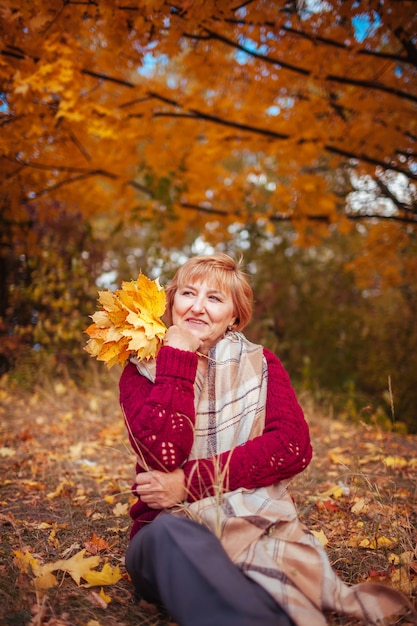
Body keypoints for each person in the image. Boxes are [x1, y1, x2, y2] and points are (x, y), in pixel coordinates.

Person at [119, 253, 410, 626]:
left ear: (234, 317)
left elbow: (291, 447)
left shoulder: (261, 363)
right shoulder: (141, 370)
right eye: (188, 293)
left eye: (215, 298)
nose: (197, 307)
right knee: (175, 536)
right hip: (166, 532)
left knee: (263, 572)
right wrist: (176, 356)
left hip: (253, 525)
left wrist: (187, 483)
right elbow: (162, 454)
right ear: (171, 302)